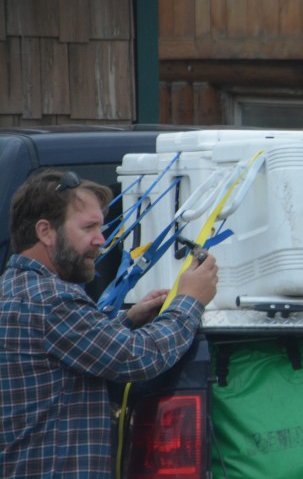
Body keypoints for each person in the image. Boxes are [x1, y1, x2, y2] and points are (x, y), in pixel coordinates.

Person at [1, 170, 219, 478]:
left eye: (101, 227)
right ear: (45, 232)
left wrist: (128, 320)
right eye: (89, 227)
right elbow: (140, 357)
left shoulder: (14, 291)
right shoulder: (52, 301)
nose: (101, 239)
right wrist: (190, 301)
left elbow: (70, 349)